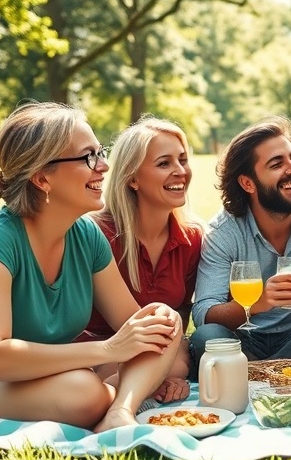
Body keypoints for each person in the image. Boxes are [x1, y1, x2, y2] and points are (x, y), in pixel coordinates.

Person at [0, 102, 185, 432]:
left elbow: (134, 323)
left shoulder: (86, 236)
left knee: (163, 321)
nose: (104, 166)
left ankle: (119, 410)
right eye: (88, 157)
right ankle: (110, 395)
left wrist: (153, 327)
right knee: (83, 392)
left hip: (38, 378)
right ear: (42, 178)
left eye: (101, 152)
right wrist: (109, 350)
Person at [190, 116, 291, 365]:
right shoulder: (223, 233)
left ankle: (255, 373)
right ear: (247, 183)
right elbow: (203, 314)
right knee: (207, 337)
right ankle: (282, 373)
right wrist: (258, 303)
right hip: (245, 339)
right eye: (277, 164)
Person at [75, 116, 203, 404]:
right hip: (98, 350)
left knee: (182, 360)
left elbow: (180, 313)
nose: (180, 171)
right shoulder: (96, 232)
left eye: (183, 160)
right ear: (132, 178)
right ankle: (133, 389)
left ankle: (137, 386)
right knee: (172, 363)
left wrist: (165, 362)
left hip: (158, 349)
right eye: (164, 163)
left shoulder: (192, 237)